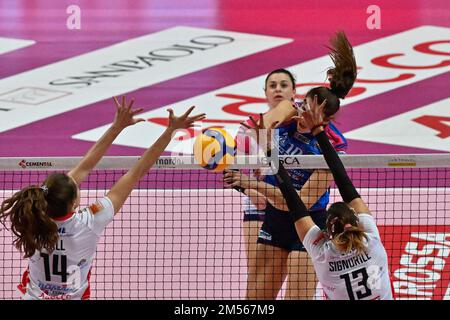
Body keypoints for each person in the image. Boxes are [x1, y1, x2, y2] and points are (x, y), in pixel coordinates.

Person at [0, 97, 205, 300]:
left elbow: (84, 167)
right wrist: (169, 132)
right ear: (73, 203)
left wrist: (117, 126)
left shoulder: (34, 217)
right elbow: (136, 172)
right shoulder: (90, 221)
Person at [225, 31, 355, 299]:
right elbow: (266, 120)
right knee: (255, 301)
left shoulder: (334, 147)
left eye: (308, 112)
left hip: (308, 224)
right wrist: (251, 131)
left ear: (325, 119)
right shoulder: (290, 111)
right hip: (275, 220)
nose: (301, 114)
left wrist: (251, 184)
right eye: (302, 105)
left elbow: (301, 202)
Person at [274, 95, 393, 299]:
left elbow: (294, 204)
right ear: (357, 222)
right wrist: (319, 131)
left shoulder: (324, 257)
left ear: (327, 234)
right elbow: (300, 203)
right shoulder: (370, 241)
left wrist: (270, 150)